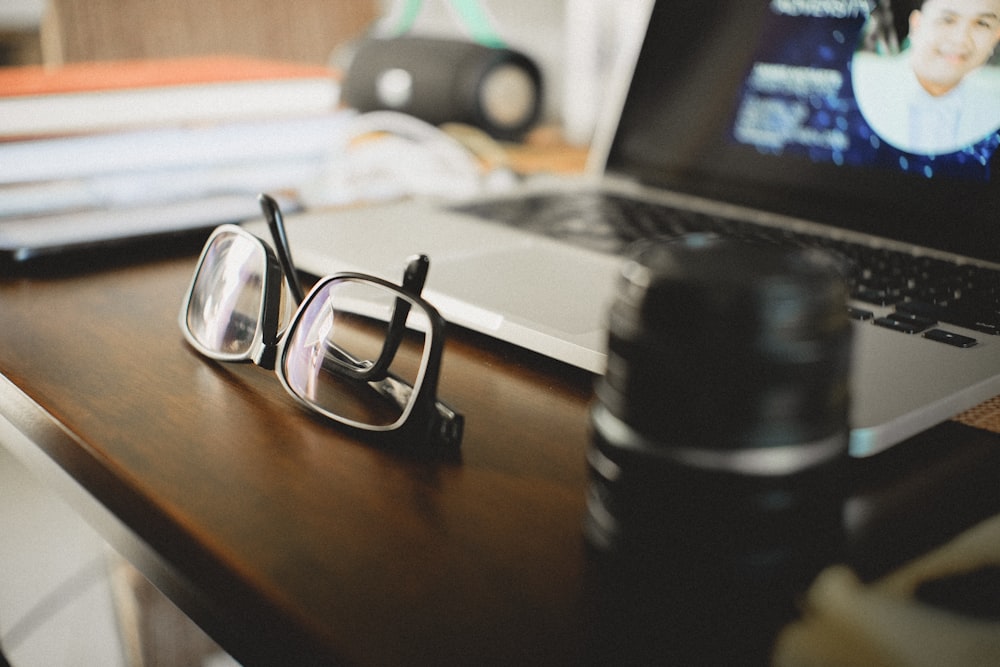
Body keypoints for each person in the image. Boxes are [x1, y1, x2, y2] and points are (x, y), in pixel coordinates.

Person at [852, 0, 1000, 155]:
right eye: (947, 20)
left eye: (982, 24)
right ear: (916, 23)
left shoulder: (992, 102)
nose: (961, 39)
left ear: (996, 36)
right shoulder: (867, 80)